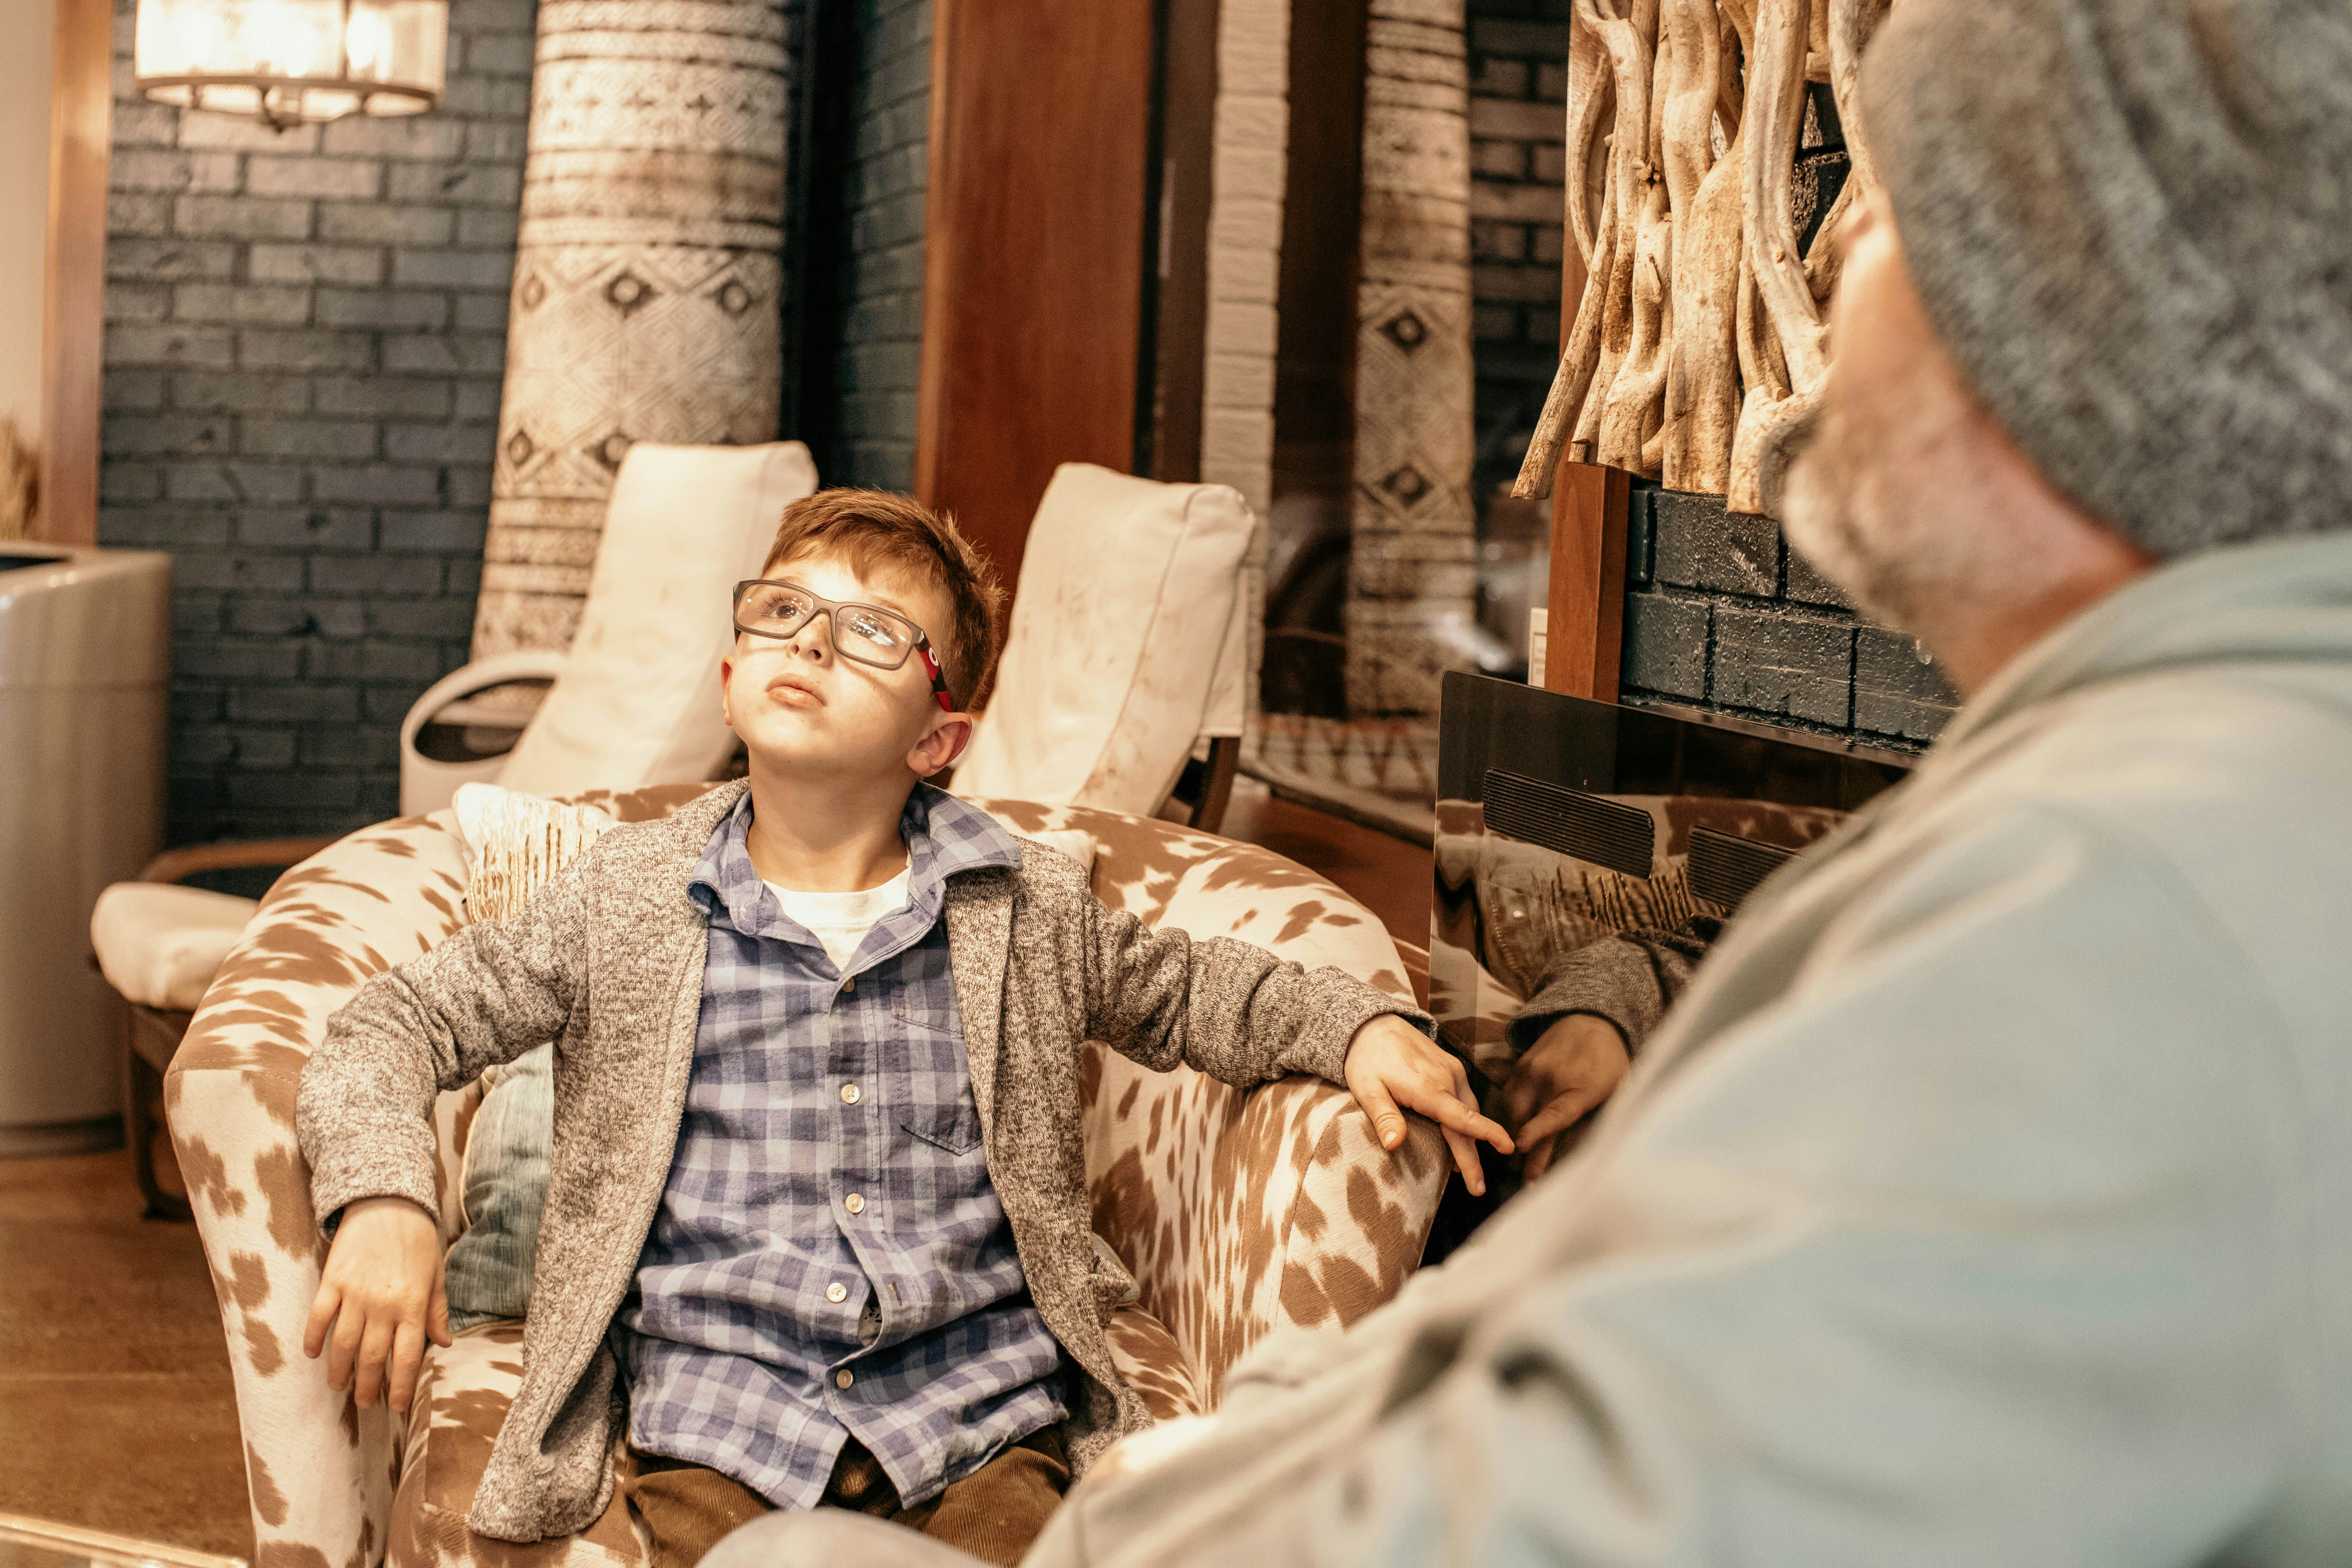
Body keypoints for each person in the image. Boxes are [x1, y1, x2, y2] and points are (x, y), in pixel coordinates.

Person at [753, 0, 2352, 1560]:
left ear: (2057, 341)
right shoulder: (2174, 810)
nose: (1821, 271)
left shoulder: (2108, 926)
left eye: (1885, 216)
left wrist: (1169, 1488)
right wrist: (1611, 998)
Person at [292, 488, 1512, 1567]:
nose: (810, 641)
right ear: (731, 673)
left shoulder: (1022, 905)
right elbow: (390, 1025)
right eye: (781, 612)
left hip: (978, 1419)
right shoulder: (625, 900)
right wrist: (388, 1201)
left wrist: (1361, 1028)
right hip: (723, 1421)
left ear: (938, 738)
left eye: (871, 631)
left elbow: (1199, 990)